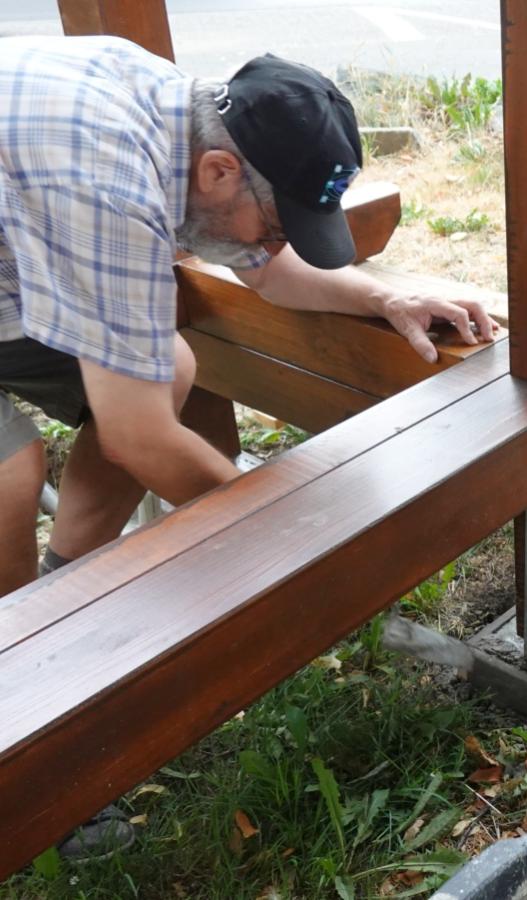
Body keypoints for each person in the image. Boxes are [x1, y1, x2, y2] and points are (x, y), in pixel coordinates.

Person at [0, 35, 495, 857]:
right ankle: (26, 723)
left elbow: (269, 269)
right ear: (221, 174)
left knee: (170, 366)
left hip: (13, 264)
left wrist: (386, 295)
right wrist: (281, 537)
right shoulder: (104, 172)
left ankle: (68, 593)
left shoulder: (191, 125)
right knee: (10, 478)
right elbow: (135, 439)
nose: (273, 236)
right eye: (276, 214)